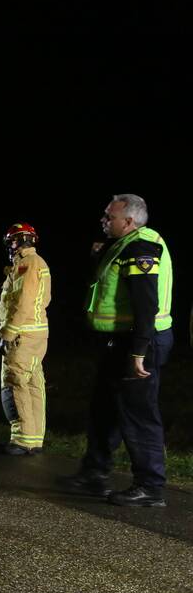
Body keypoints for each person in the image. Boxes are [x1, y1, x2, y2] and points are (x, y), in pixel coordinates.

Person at [60, 194, 174, 507]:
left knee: (138, 414)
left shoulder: (141, 248)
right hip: (121, 341)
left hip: (140, 342)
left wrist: (138, 351)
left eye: (109, 216)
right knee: (104, 408)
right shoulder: (123, 244)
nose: (103, 220)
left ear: (129, 221)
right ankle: (95, 471)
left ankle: (150, 486)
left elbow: (146, 304)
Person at [0, 223, 52, 456]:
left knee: (15, 382)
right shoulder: (37, 263)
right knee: (33, 385)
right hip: (36, 333)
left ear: (16, 242)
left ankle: (21, 439)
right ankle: (34, 438)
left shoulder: (26, 265)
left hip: (22, 334)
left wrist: (8, 332)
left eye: (11, 242)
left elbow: (23, 302)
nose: (9, 247)